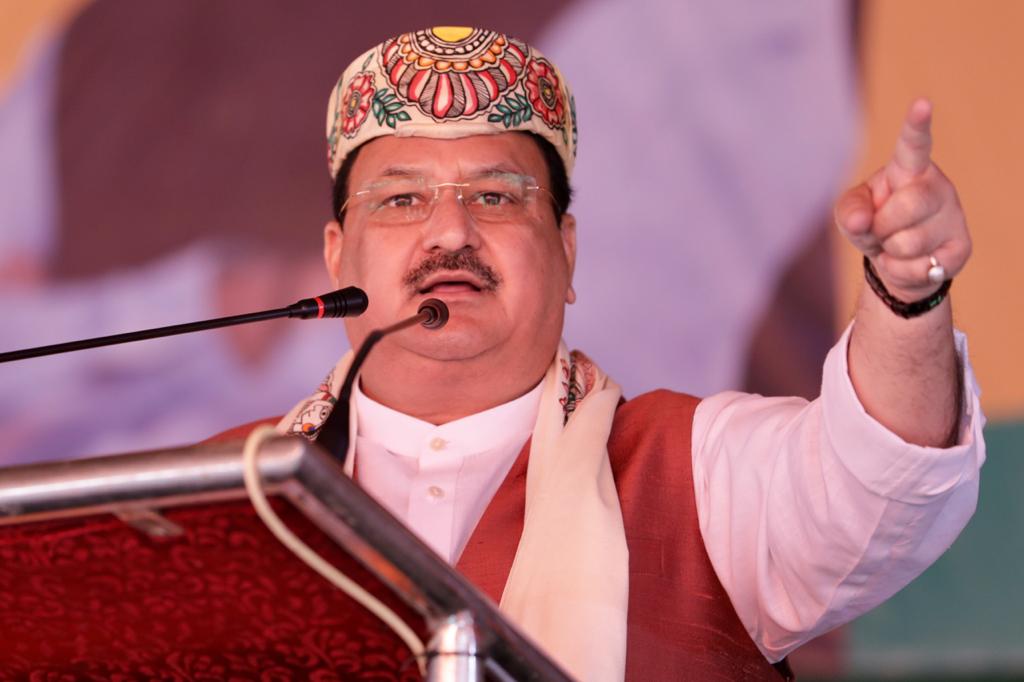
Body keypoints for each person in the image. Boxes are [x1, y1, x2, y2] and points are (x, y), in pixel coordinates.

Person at [254, 26, 984, 681]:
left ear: (567, 254)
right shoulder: (219, 496)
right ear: (336, 258)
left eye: (499, 197)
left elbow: (878, 479)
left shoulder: (696, 475)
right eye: (402, 200)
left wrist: (905, 297)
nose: (450, 231)